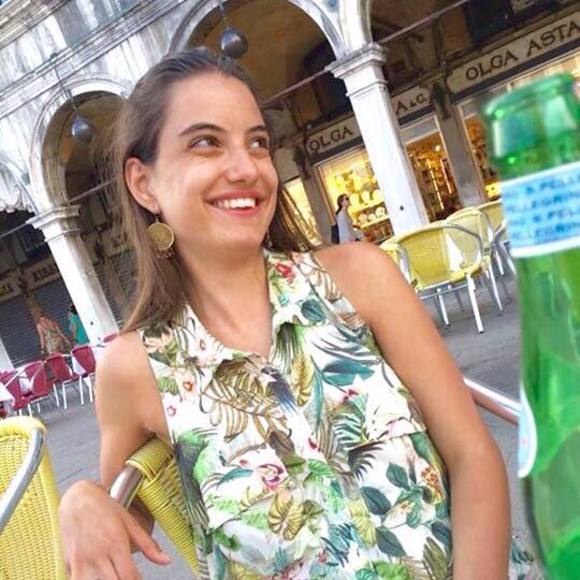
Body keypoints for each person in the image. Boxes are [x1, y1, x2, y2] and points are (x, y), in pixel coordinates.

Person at [58, 48, 538, 579]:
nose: (246, 168)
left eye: (257, 142)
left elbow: (471, 453)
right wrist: (81, 500)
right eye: (206, 143)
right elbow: (125, 519)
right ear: (144, 183)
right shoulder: (135, 369)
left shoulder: (359, 278)